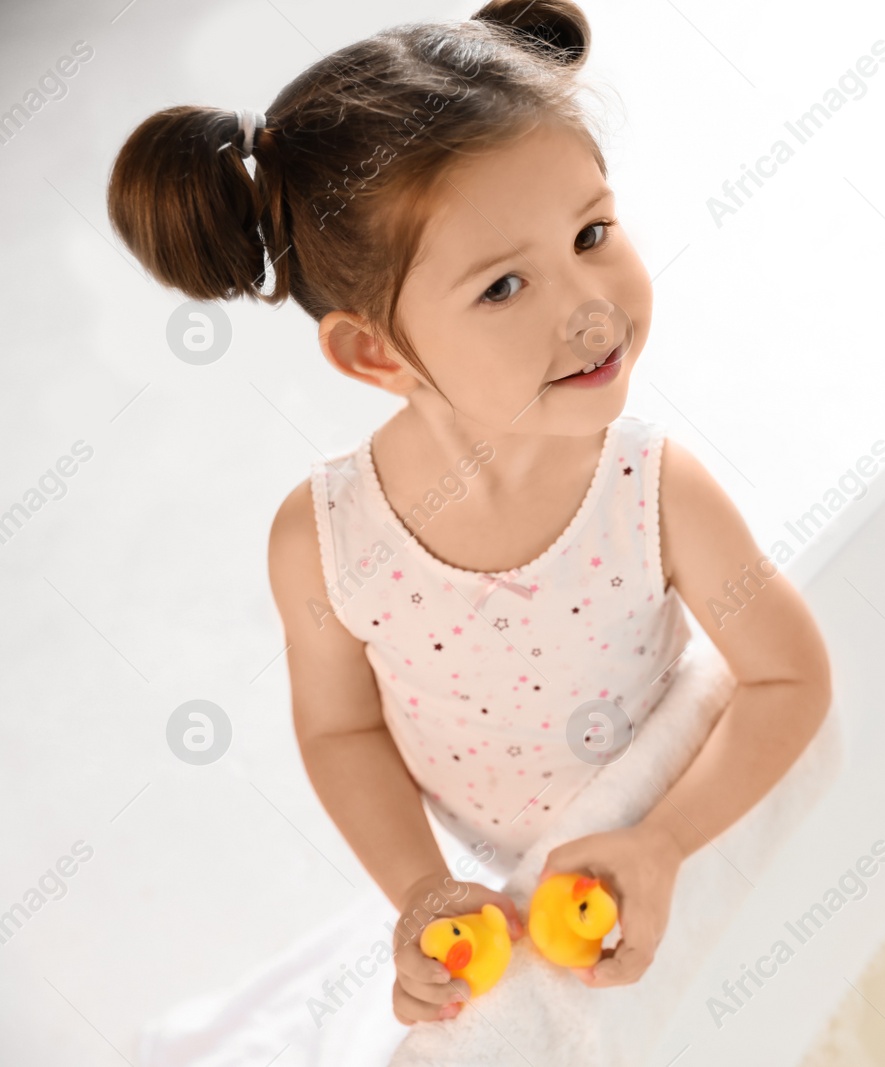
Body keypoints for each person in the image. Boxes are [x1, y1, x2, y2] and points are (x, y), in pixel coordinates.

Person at [107, 0, 831, 1028]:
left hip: (657, 794)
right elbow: (342, 726)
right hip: (513, 864)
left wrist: (663, 838)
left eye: (591, 232)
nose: (586, 304)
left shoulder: (651, 490)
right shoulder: (324, 544)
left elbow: (788, 674)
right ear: (377, 354)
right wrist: (420, 886)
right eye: (502, 287)